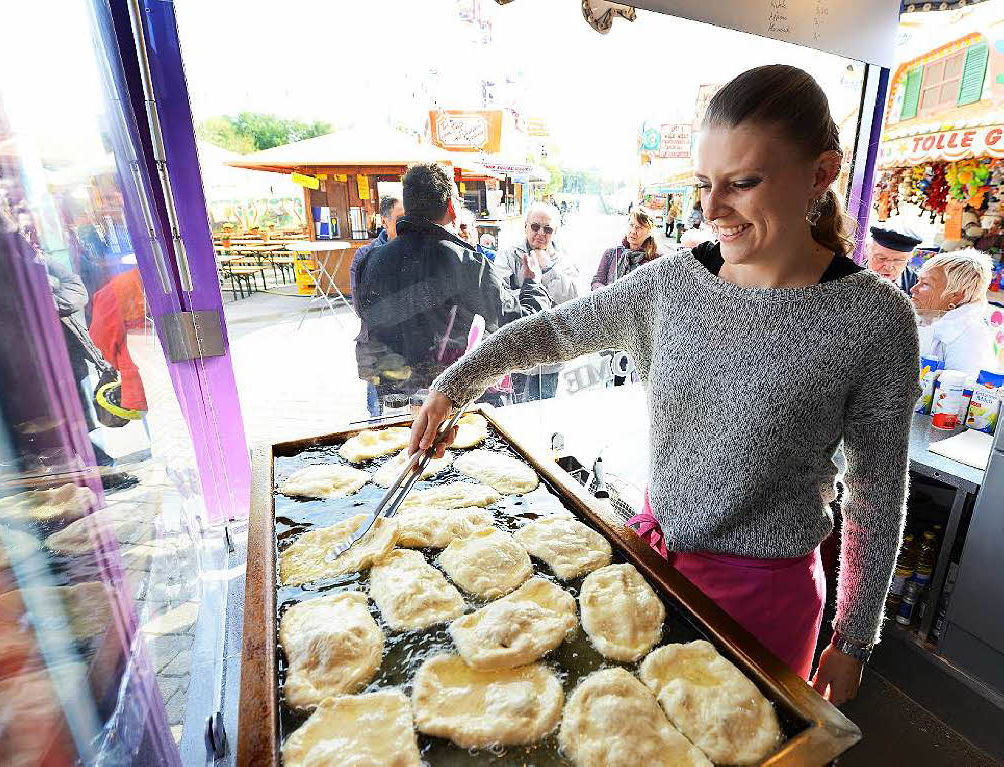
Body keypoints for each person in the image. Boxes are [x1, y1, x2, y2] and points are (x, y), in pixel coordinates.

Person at [411, 64, 919, 706]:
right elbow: (557, 331)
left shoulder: (872, 318)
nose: (711, 210)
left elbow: (876, 490)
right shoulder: (674, 282)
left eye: (742, 183)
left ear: (821, 174)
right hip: (652, 564)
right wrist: (454, 386)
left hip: (762, 601)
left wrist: (853, 638)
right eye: (703, 184)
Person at [355, 163, 550, 402]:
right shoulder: (468, 264)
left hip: (391, 400)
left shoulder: (371, 260)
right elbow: (523, 323)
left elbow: (367, 316)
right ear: (452, 207)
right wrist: (533, 283)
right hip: (449, 404)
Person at [495, 202, 581, 401]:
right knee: (515, 409)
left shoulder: (563, 259)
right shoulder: (508, 254)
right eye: (535, 227)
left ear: (555, 231)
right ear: (525, 226)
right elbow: (500, 296)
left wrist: (549, 270)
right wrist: (531, 289)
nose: (540, 233)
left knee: (544, 408)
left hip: (550, 354)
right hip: (518, 348)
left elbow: (574, 298)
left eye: (547, 229)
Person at [350, 195, 403, 416]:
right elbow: (362, 307)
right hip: (378, 346)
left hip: (415, 350)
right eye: (400, 219)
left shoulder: (419, 252)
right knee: (379, 419)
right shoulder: (365, 256)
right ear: (384, 221)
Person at [912, 248, 997, 376]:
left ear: (956, 296)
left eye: (925, 284)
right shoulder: (929, 321)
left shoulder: (971, 338)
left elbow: (959, 392)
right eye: (918, 281)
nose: (913, 289)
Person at [591, 206, 658, 290]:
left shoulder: (656, 259)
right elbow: (597, 281)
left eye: (639, 227)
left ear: (649, 232)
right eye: (631, 225)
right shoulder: (611, 254)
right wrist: (607, 294)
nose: (633, 231)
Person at [867, 223, 921, 295]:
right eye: (881, 258)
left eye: (898, 261)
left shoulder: (915, 285)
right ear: (868, 250)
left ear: (909, 258)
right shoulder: (852, 275)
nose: (888, 268)